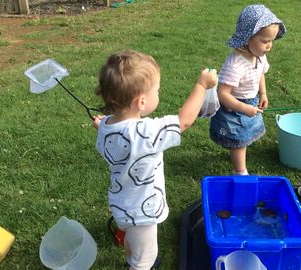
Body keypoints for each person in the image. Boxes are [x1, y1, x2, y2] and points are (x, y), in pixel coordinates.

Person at [91, 50, 217, 270]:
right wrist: (201, 85)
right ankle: (138, 264)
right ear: (141, 102)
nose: (159, 93)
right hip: (143, 213)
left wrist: (100, 124)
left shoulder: (106, 125)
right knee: (144, 260)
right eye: (157, 91)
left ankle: (133, 258)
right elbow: (184, 121)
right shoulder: (144, 132)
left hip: (122, 205)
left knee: (133, 242)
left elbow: (106, 126)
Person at [210, 4, 286, 175]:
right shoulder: (235, 65)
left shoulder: (259, 57)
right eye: (265, 41)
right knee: (239, 141)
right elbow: (222, 94)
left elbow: (260, 74)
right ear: (247, 38)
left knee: (242, 138)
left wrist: (263, 93)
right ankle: (241, 172)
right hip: (234, 107)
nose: (269, 46)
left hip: (250, 103)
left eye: (272, 41)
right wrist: (244, 108)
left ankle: (236, 150)